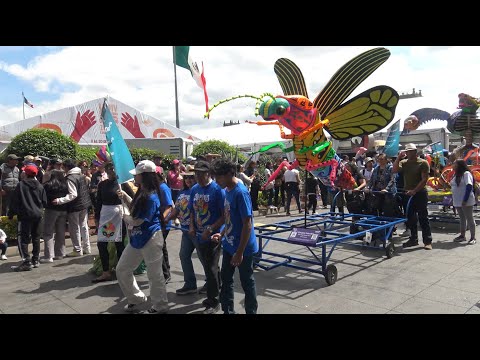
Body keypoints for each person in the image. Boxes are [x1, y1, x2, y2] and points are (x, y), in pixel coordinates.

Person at [116, 160, 169, 314]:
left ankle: (160, 306)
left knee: (154, 274)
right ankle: (136, 298)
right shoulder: (142, 192)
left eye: (137, 175)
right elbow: (137, 208)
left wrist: (124, 216)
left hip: (151, 238)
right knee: (122, 269)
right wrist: (125, 196)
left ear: (144, 176)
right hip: (138, 238)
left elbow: (138, 219)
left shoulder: (152, 196)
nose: (134, 177)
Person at [211, 158, 258, 314]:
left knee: (247, 282)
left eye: (219, 177)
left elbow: (247, 224)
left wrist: (239, 252)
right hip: (230, 244)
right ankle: (228, 311)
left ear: (230, 173)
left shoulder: (240, 192)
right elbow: (228, 216)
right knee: (226, 280)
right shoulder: (226, 190)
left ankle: (251, 311)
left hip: (243, 249)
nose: (216, 181)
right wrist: (222, 232)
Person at [188, 160, 225, 314]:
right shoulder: (194, 189)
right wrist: (191, 226)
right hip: (198, 235)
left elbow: (224, 216)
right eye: (195, 173)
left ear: (208, 173)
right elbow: (191, 210)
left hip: (213, 236)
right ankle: (218, 285)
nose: (197, 176)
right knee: (209, 266)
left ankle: (213, 300)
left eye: (200, 173)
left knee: (210, 268)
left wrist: (210, 229)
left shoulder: (217, 190)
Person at [164, 165, 206, 295]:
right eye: (186, 177)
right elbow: (176, 209)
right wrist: (166, 219)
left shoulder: (199, 191)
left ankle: (213, 281)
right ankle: (190, 284)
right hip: (185, 231)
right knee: (184, 256)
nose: (188, 180)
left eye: (191, 177)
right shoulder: (182, 192)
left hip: (197, 231)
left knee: (204, 258)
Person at [92, 162, 133, 282]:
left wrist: (124, 196)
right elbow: (98, 201)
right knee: (102, 243)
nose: (111, 171)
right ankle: (106, 272)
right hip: (106, 215)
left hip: (118, 216)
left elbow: (133, 199)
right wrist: (97, 217)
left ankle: (122, 270)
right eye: (109, 168)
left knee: (119, 244)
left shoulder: (123, 185)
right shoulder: (102, 184)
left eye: (114, 168)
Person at [392, 143, 433, 250]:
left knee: (423, 217)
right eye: (407, 151)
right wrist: (398, 158)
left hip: (420, 193)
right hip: (407, 194)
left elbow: (424, 179)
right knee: (410, 218)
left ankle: (427, 241)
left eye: (411, 151)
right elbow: (394, 170)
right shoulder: (404, 162)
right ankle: (413, 239)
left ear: (415, 152)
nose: (409, 153)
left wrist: (415, 190)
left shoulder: (423, 163)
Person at [8, 165, 47, 271]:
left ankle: (26, 261)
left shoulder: (21, 185)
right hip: (38, 215)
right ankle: (35, 260)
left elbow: (14, 202)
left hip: (25, 216)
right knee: (36, 238)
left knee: (23, 239)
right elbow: (44, 202)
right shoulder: (40, 186)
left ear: (26, 173)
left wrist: (10, 214)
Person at [52, 159, 92, 256]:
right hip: (84, 204)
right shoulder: (81, 175)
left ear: (66, 167)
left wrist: (59, 200)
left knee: (75, 228)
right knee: (84, 226)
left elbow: (73, 194)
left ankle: (77, 250)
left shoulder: (70, 178)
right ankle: (87, 247)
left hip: (75, 206)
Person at [40, 169, 69, 263]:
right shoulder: (65, 185)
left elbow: (42, 197)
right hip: (63, 209)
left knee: (48, 232)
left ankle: (49, 256)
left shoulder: (48, 185)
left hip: (51, 209)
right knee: (60, 232)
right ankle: (60, 253)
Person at [450, 159, 476, 244]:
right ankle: (462, 235)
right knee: (462, 218)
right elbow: (453, 187)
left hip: (466, 200)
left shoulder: (466, 174)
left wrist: (465, 199)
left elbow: (469, 186)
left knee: (469, 218)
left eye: (454, 164)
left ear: (459, 165)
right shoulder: (455, 175)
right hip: (457, 200)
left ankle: (473, 238)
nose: (452, 165)